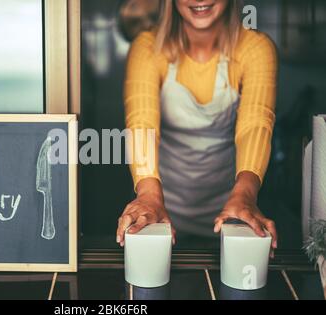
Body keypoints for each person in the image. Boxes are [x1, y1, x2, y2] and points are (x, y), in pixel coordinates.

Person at [117, 0, 278, 254]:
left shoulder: (255, 48)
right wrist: (148, 194)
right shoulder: (147, 47)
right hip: (160, 209)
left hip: (233, 208)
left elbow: (255, 124)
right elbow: (141, 123)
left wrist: (245, 194)